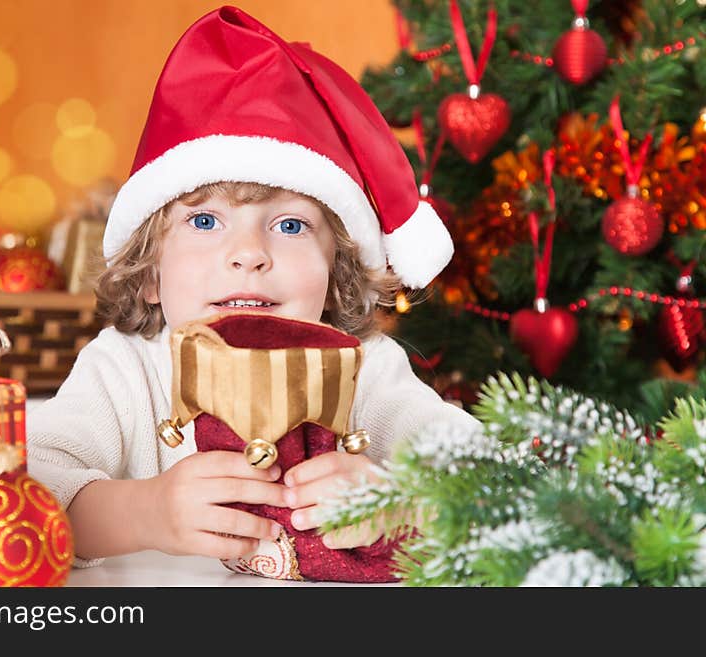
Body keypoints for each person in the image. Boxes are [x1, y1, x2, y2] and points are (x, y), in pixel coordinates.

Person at [27, 5, 479, 567]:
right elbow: (26, 493)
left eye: (290, 226)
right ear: (148, 274)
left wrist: (400, 503)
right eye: (204, 221)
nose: (248, 255)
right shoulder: (124, 369)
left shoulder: (367, 369)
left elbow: (487, 478)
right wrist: (144, 511)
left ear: (336, 275)